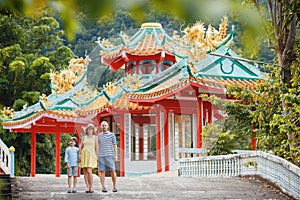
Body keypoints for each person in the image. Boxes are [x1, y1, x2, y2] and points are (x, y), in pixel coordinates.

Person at [97, 120, 118, 193]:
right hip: (101, 156)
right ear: (101, 126)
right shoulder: (98, 136)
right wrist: (97, 156)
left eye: (105, 125)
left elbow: (115, 145)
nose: (104, 127)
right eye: (102, 125)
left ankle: (114, 186)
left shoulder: (112, 135)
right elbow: (98, 146)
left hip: (110, 155)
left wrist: (115, 155)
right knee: (102, 171)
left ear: (108, 126)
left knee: (112, 171)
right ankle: (103, 187)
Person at [79, 123, 98, 193]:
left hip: (92, 154)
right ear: (87, 130)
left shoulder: (95, 137)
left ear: (93, 130)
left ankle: (91, 186)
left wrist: (96, 156)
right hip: (84, 154)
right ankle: (87, 186)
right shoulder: (84, 137)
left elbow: (96, 148)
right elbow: (80, 147)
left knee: (89, 171)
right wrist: (80, 155)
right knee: (85, 172)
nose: (90, 130)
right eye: (89, 128)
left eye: (91, 129)